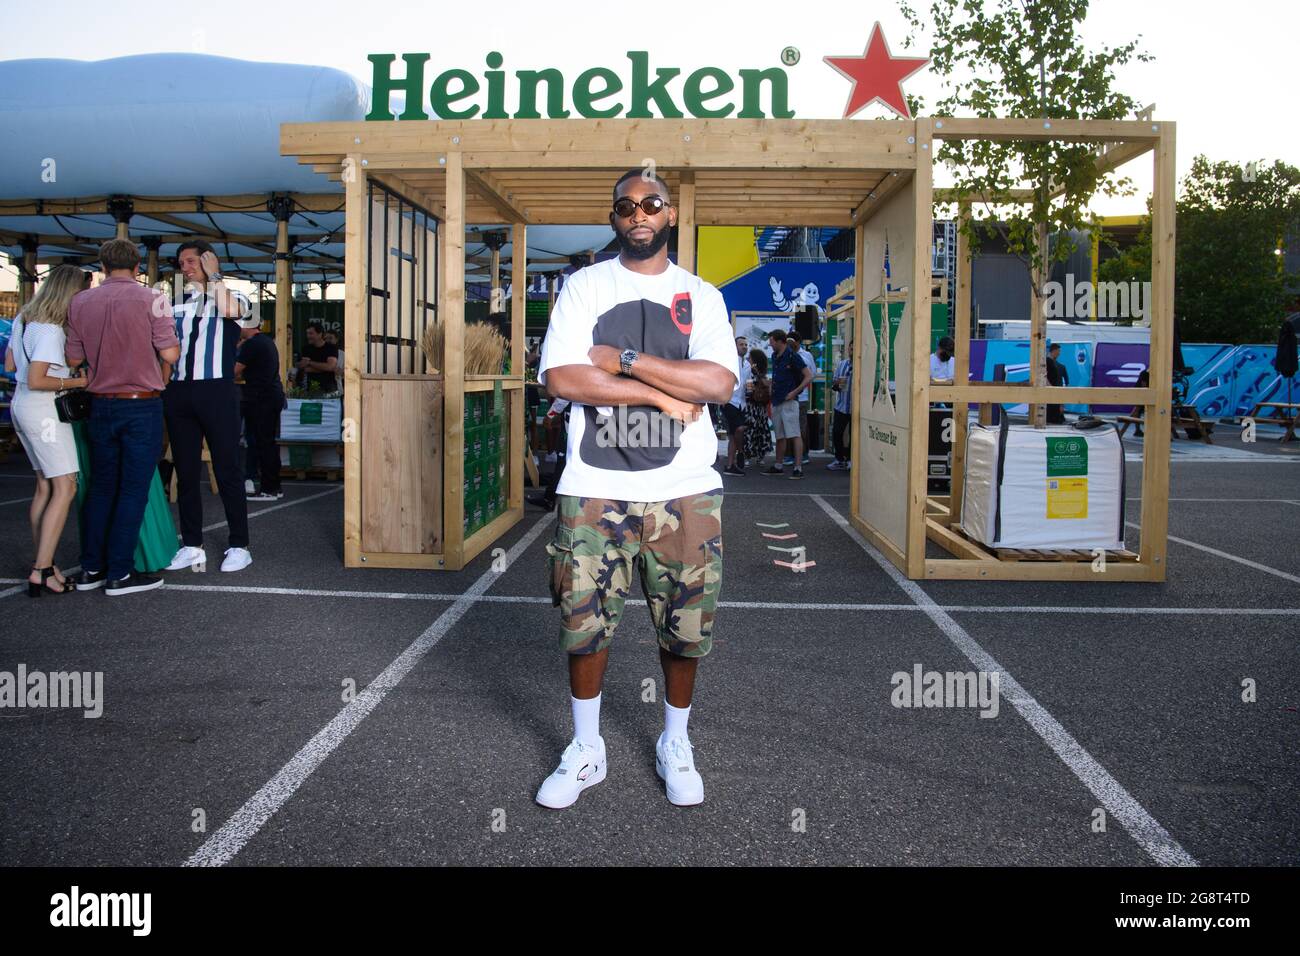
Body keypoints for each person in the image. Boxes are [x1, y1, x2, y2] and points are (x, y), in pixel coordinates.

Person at [534, 168, 736, 810]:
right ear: (614, 217)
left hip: (686, 492)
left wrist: (622, 361)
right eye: (627, 206)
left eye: (652, 203)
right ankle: (587, 748)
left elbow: (716, 384)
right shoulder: (584, 286)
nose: (639, 213)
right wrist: (657, 393)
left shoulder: (700, 295)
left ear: (669, 214)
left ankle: (676, 742)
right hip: (594, 487)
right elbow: (562, 379)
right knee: (583, 624)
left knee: (686, 627)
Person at [65, 239, 180, 596]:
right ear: (137, 267)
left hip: (100, 403)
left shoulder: (80, 301)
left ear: (102, 267)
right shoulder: (153, 299)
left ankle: (91, 568)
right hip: (140, 403)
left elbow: (72, 360)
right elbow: (171, 353)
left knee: (101, 489)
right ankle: (120, 572)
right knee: (132, 490)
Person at [163, 240, 254, 574]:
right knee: (185, 471)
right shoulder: (174, 303)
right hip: (179, 391)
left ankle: (239, 545)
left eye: (191, 261)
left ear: (208, 260)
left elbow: (233, 313)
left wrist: (213, 276)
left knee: (228, 468)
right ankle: (191, 544)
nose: (185, 267)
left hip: (217, 390)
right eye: (181, 262)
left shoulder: (238, 296)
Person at [4, 265, 90, 595]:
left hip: (21, 406)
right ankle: (42, 568)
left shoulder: (24, 320)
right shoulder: (51, 330)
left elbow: (12, 366)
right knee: (65, 487)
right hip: (44, 411)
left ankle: (46, 562)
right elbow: (38, 378)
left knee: (44, 486)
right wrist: (78, 380)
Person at [235, 323, 285, 501]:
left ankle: (268, 489)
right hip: (271, 396)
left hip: (261, 398)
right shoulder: (266, 341)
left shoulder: (252, 344)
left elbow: (234, 371)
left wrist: (236, 347)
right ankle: (274, 486)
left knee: (262, 443)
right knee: (268, 443)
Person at [762, 329, 811, 478]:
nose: (770, 346)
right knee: (780, 435)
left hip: (789, 401)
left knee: (794, 434)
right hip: (777, 400)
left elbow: (808, 376)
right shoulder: (775, 356)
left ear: (779, 341)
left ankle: (798, 468)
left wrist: (794, 392)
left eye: (772, 342)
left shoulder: (793, 356)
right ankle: (778, 465)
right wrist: (770, 386)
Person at [527, 398, 570, 510]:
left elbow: (565, 396)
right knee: (564, 462)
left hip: (573, 422)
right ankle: (550, 497)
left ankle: (549, 498)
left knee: (563, 461)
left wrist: (550, 415)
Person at [720, 335, 750, 476]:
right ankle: (741, 452)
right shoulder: (729, 361)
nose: (744, 346)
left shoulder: (748, 365)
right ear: (735, 346)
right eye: (741, 344)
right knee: (739, 429)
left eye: (745, 345)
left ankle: (730, 465)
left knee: (733, 435)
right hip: (729, 401)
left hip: (741, 403)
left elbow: (746, 384)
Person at [743, 348, 774, 465]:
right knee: (760, 429)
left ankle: (748, 455)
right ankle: (759, 456)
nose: (748, 359)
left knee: (751, 429)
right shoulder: (762, 373)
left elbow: (749, 388)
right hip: (760, 406)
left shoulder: (752, 372)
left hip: (752, 405)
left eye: (750, 358)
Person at [791, 334, 816, 465]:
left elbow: (812, 374)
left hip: (802, 396)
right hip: (788, 397)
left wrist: (802, 386)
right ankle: (790, 455)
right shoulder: (785, 354)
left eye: (793, 341)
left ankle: (803, 454)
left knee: (801, 426)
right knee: (789, 427)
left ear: (798, 342)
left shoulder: (806, 355)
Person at [296, 322, 338, 393]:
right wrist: (324, 368)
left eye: (311, 333)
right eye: (307, 333)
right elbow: (304, 368)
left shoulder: (331, 348)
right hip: (310, 388)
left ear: (320, 334)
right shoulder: (306, 349)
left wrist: (309, 362)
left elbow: (331, 367)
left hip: (329, 388)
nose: (308, 336)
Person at [829, 353, 853, 470]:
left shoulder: (863, 365)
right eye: (851, 348)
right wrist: (837, 383)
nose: (852, 351)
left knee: (854, 435)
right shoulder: (842, 364)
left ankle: (850, 459)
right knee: (837, 433)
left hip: (856, 407)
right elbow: (833, 384)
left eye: (854, 348)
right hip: (841, 405)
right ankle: (839, 459)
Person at [1045, 342, 1068, 424]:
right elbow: (1043, 376)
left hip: (1055, 396)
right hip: (1050, 395)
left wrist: (1061, 403)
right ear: (1054, 351)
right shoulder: (1046, 362)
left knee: (1055, 419)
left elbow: (1063, 383)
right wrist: (1050, 387)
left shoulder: (1060, 366)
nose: (1059, 353)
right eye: (1058, 351)